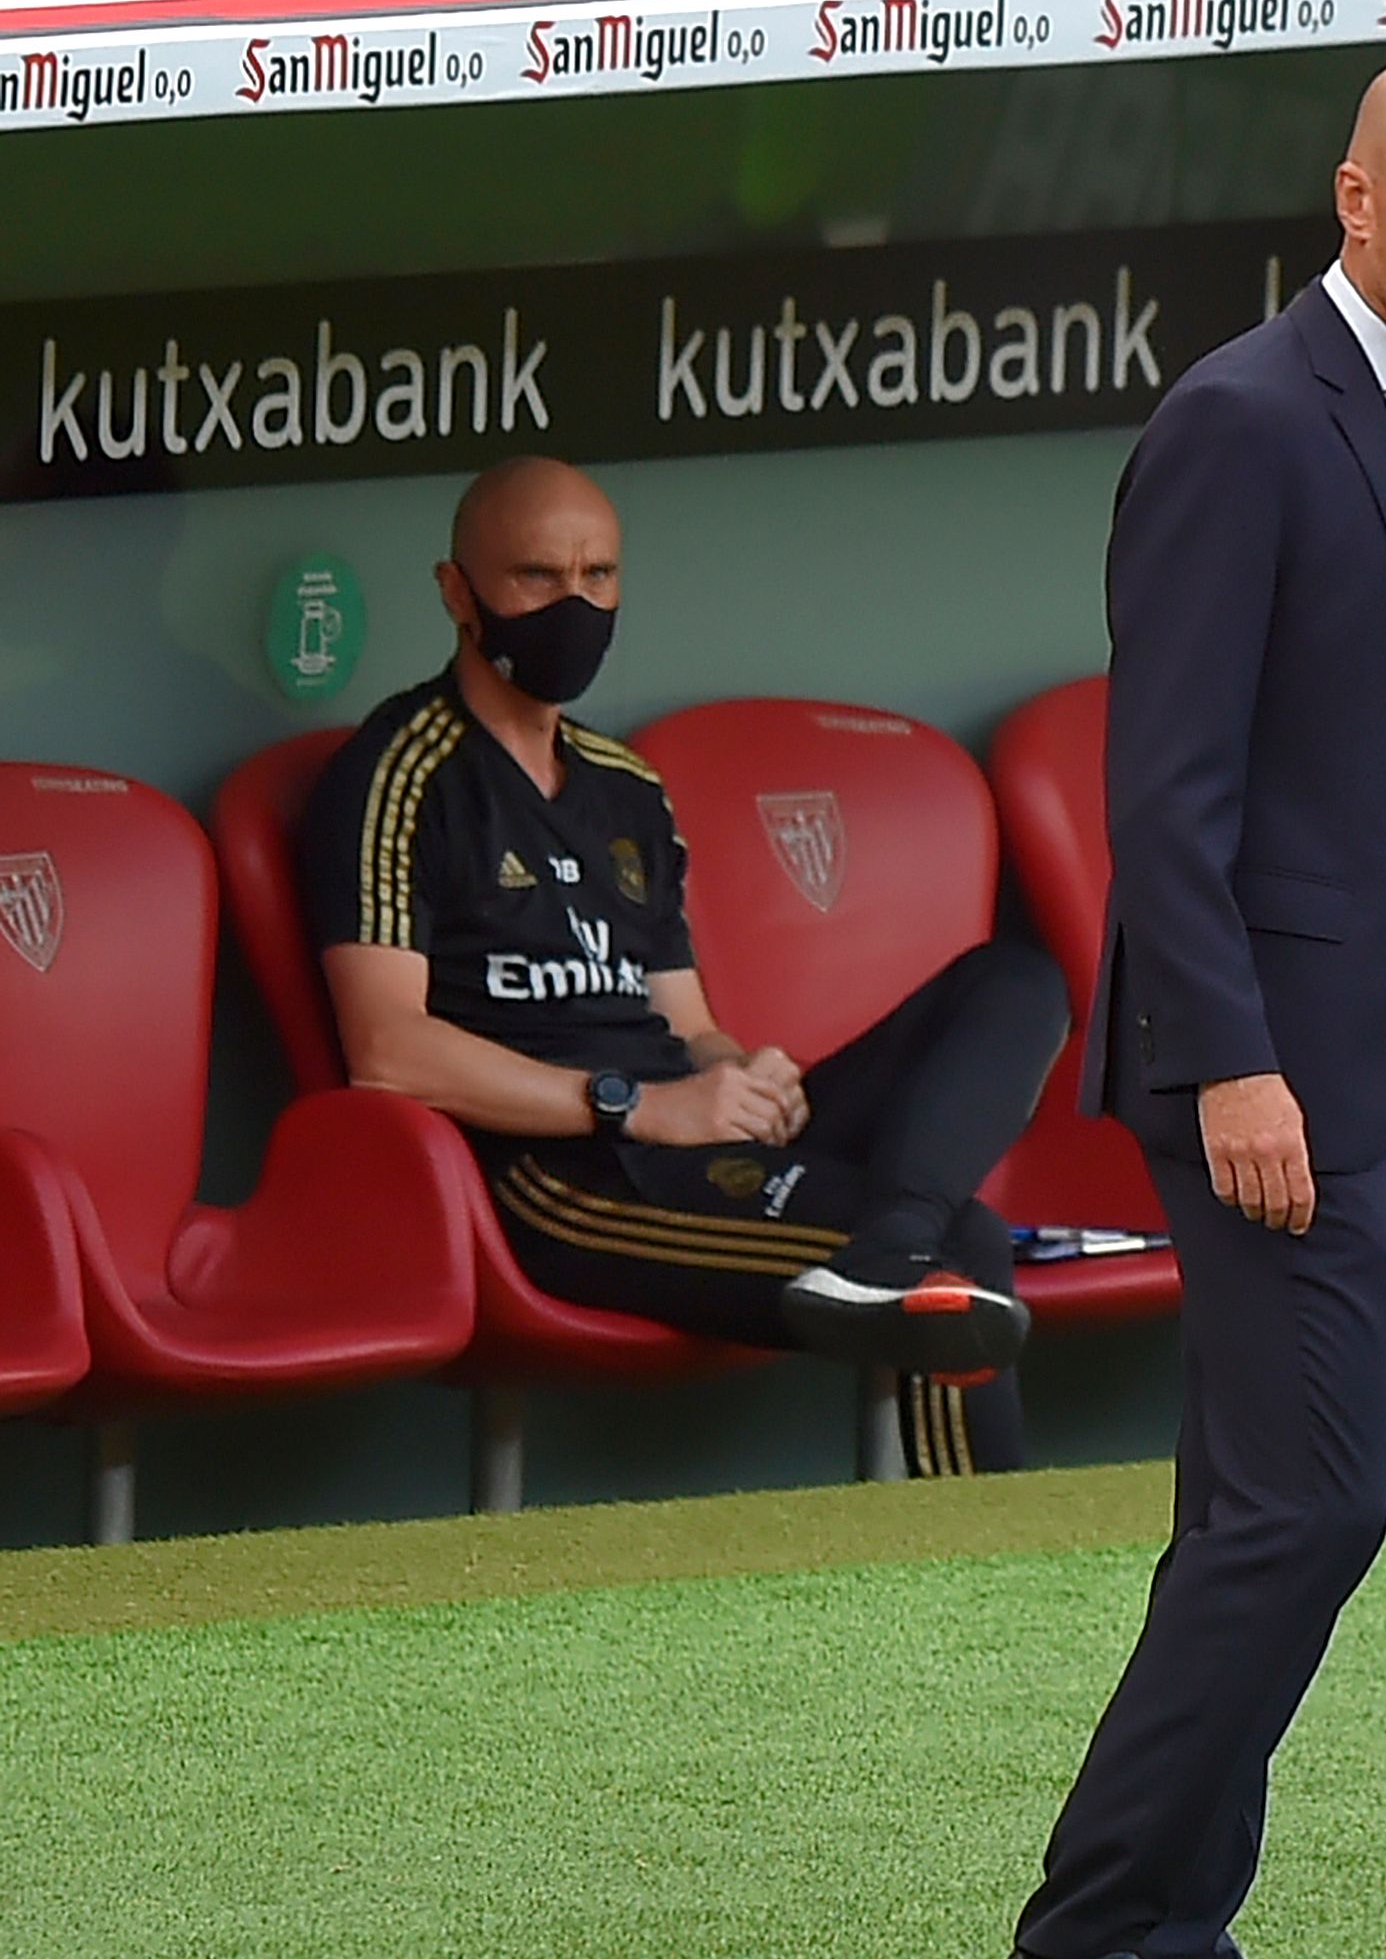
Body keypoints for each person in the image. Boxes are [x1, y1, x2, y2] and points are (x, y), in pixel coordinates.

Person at [980, 53, 1386, 1959]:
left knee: (1258, 1506)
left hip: (1373, 1071)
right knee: (1317, 1498)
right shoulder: (1238, 418)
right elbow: (1172, 790)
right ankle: (1078, 1945)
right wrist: (1231, 1057)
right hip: (1258, 1082)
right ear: (1356, 199)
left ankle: (1186, 1951)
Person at [300, 456, 1068, 1477]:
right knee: (955, 1260)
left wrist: (741, 1074)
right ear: (457, 592)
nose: (574, 605)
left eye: (599, 577)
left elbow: (686, 1018)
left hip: (689, 1140)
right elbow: (388, 1053)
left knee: (1015, 983)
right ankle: (979, 1600)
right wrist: (632, 1105)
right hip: (559, 1183)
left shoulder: (624, 786)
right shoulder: (400, 773)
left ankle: (890, 1240)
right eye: (536, 578)